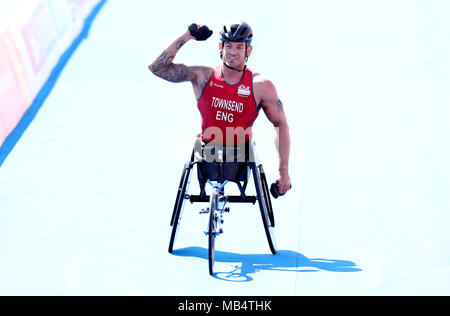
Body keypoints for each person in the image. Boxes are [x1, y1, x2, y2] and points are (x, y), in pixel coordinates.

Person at [148, 21, 291, 195]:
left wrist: (283, 171)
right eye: (229, 46)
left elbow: (280, 124)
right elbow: (156, 68)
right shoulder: (203, 75)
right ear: (220, 47)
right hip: (206, 155)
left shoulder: (261, 86)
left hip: (239, 160)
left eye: (239, 47)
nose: (233, 52)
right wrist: (187, 36)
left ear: (249, 51)